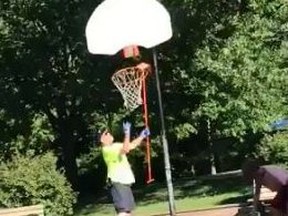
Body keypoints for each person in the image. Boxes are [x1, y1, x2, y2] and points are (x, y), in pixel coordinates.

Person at [99, 122, 150, 216]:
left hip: (123, 182)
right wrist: (127, 133)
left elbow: (131, 145)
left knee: (127, 212)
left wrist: (142, 136)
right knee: (123, 212)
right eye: (106, 134)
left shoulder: (115, 146)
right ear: (102, 139)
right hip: (117, 182)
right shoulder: (107, 150)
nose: (109, 134)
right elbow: (125, 150)